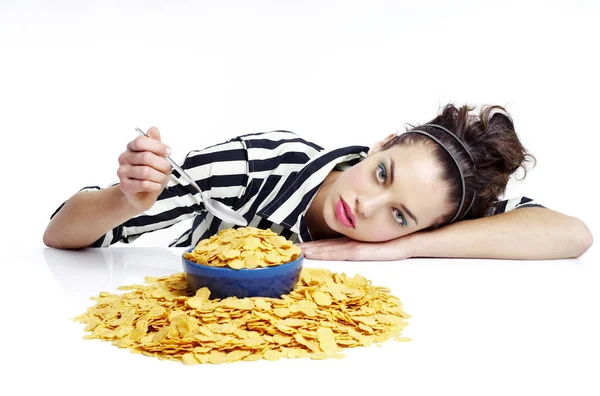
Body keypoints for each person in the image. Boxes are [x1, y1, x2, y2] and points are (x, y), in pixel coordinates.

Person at [43, 103, 593, 260]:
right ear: (378, 146)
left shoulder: (432, 218)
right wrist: (125, 198)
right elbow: (59, 234)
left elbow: (572, 234)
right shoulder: (251, 166)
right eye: (383, 174)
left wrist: (410, 248)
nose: (368, 207)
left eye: (399, 215)